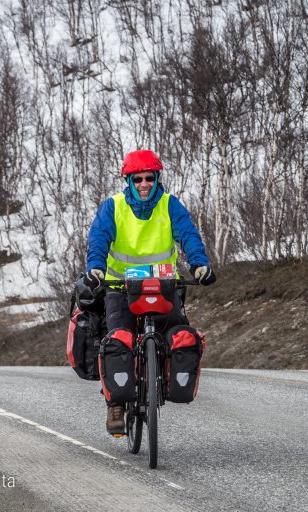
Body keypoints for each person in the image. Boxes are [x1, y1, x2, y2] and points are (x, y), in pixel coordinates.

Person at [84, 149, 216, 435]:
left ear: (157, 178)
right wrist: (95, 267)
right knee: (118, 338)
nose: (144, 184)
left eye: (149, 178)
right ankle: (115, 405)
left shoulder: (169, 205)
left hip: (163, 285)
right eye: (138, 179)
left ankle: (165, 377)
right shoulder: (114, 206)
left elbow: (188, 234)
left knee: (177, 332)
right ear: (128, 181)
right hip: (120, 286)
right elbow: (99, 238)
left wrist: (199, 264)